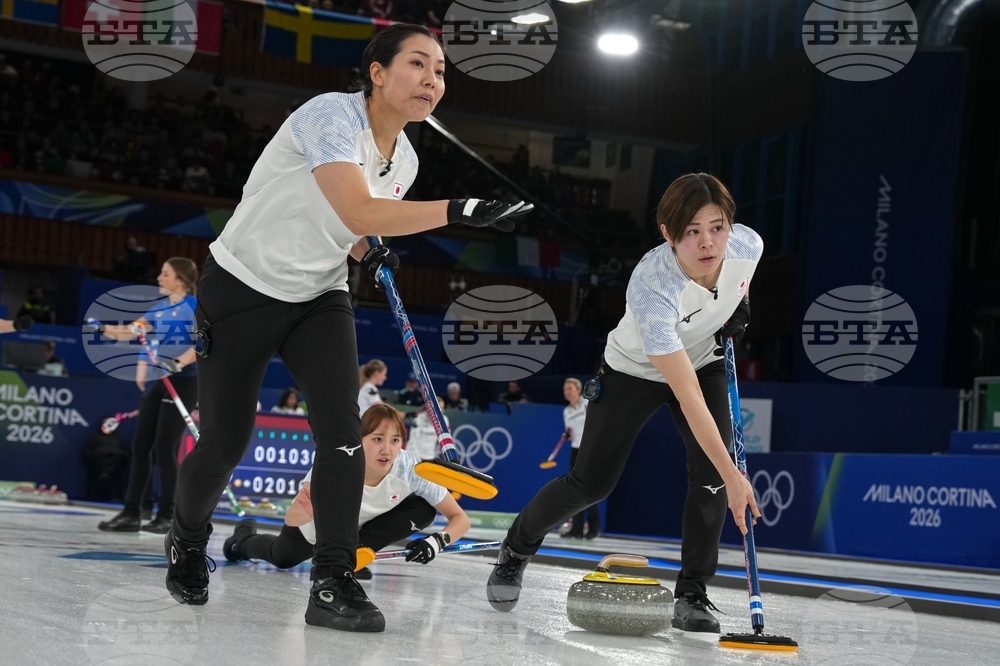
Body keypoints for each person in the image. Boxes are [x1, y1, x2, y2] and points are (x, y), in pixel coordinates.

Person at [162, 23, 531, 635]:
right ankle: (187, 538)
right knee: (226, 442)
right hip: (242, 286)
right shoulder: (328, 115)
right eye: (418, 64)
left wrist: (368, 250)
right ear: (379, 73)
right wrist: (459, 210)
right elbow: (357, 206)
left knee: (342, 439)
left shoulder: (405, 160)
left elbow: (352, 223)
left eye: (440, 71)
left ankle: (332, 582)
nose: (432, 80)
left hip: (319, 297)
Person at [485, 173, 761, 637]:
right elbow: (688, 397)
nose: (708, 241)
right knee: (591, 483)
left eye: (716, 226)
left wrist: (739, 311)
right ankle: (517, 547)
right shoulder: (653, 287)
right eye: (691, 231)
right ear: (668, 234)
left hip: (705, 359)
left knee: (710, 474)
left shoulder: (747, 246)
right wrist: (737, 477)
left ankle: (692, 592)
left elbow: (739, 284)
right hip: (636, 369)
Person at [224, 404, 470, 577]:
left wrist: (438, 541)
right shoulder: (336, 463)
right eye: (377, 439)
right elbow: (292, 518)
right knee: (282, 557)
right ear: (358, 439)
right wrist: (311, 510)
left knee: (424, 508)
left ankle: (353, 555)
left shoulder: (412, 469)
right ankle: (243, 540)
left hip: (356, 533)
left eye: (395, 440)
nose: (387, 449)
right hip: (316, 531)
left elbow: (460, 519)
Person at [96, 258, 199, 535]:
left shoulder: (193, 307)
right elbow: (131, 330)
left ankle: (167, 514)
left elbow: (200, 343)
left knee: (164, 447)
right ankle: (132, 513)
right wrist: (103, 329)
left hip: (186, 380)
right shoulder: (161, 308)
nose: (158, 278)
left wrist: (178, 363)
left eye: (165, 274)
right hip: (161, 379)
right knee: (141, 443)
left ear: (180, 279)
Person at [560, 377, 598, 540]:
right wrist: (568, 434)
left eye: (570, 388)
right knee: (575, 490)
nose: (567, 392)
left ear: (578, 389)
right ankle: (576, 528)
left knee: (589, 489)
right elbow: (570, 434)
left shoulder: (587, 403)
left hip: (590, 448)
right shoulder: (566, 411)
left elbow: (597, 423)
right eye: (565, 389)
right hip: (576, 450)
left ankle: (593, 528)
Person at [405, 396, 448, 460]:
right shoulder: (418, 419)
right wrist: (416, 459)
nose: (441, 411)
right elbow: (413, 441)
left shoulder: (444, 420)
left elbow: (444, 441)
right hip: (414, 455)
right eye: (438, 408)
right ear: (430, 408)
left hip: (430, 457)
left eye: (442, 408)